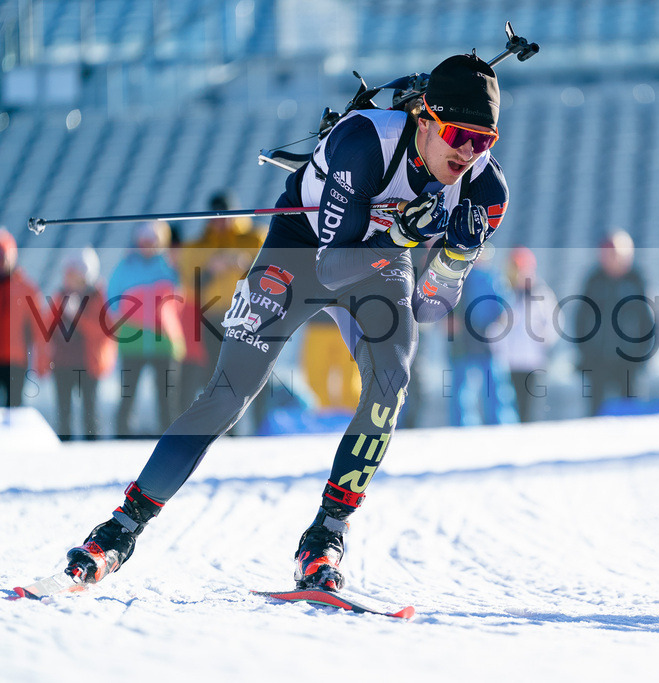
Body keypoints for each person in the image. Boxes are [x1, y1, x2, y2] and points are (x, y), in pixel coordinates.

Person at [62, 54, 510, 593]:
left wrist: (455, 255)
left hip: (379, 264)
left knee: (391, 386)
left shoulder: (486, 193)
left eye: (484, 141)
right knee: (228, 394)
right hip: (303, 250)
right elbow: (329, 265)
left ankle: (324, 538)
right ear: (425, 119)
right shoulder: (365, 142)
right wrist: (401, 238)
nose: (467, 153)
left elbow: (431, 308)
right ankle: (120, 529)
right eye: (460, 134)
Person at [175, 192, 267, 415]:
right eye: (216, 217)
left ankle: (262, 426)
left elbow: (274, 275)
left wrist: (246, 266)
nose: (221, 222)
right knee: (217, 376)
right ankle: (224, 430)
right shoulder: (196, 246)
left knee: (258, 372)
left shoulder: (256, 238)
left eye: (226, 216)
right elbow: (189, 287)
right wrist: (211, 270)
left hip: (251, 315)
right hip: (214, 318)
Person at [108, 221, 185, 436]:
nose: (148, 245)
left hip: (166, 341)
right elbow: (112, 298)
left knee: (168, 399)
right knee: (127, 396)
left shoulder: (171, 265)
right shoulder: (126, 266)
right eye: (144, 240)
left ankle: (169, 441)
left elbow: (182, 296)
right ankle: (121, 437)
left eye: (153, 240)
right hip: (133, 341)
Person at [574, 230, 658, 416]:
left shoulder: (638, 281)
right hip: (598, 360)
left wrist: (642, 357)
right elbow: (580, 319)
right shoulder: (594, 280)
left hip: (629, 362)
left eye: (614, 253)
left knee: (631, 415)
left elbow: (652, 322)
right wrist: (586, 353)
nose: (609, 258)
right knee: (595, 414)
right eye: (605, 253)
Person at [47, 248, 116, 440]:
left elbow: (102, 331)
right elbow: (48, 329)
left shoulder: (98, 297)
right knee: (63, 413)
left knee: (90, 411)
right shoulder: (60, 296)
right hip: (62, 362)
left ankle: (93, 451)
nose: (69, 278)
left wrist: (77, 317)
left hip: (88, 362)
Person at [445, 247, 518, 426]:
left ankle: (501, 424)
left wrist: (497, 328)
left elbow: (504, 308)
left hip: (486, 340)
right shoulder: (458, 279)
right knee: (462, 389)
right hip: (463, 341)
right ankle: (463, 426)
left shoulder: (493, 278)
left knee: (496, 388)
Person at [494, 246, 556, 422]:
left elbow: (553, 323)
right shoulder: (504, 293)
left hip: (533, 361)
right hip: (510, 361)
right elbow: (495, 330)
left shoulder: (541, 294)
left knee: (531, 407)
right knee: (511, 406)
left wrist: (542, 335)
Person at [0, 228, 48, 408]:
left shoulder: (26, 288)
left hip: (15, 359)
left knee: (14, 406)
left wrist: (41, 359)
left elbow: (38, 328)